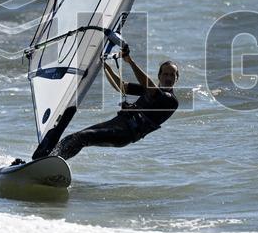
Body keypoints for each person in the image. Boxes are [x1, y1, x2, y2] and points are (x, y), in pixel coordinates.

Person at [33, 47, 179, 161]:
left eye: (172, 75)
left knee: (81, 138)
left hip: (124, 133)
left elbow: (151, 88)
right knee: (74, 137)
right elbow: (121, 86)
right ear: (159, 76)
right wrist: (105, 66)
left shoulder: (171, 100)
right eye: (165, 74)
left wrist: (130, 61)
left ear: (176, 79)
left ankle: (49, 164)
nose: (168, 77)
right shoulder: (149, 90)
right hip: (117, 123)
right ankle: (46, 159)